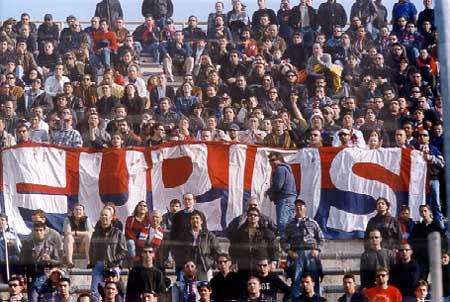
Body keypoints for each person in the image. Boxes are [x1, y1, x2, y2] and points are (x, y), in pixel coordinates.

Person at [282, 199, 324, 297]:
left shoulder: (313, 223)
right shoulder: (290, 225)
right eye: (297, 206)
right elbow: (283, 240)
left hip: (311, 254)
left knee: (314, 280)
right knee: (296, 280)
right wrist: (289, 251)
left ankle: (317, 299)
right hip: (297, 254)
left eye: (301, 206)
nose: (299, 208)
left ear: (305, 208)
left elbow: (321, 239)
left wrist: (317, 250)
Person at [228, 207, 278, 281]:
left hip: (261, 265)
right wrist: (233, 262)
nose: (253, 217)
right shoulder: (240, 232)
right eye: (250, 215)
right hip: (244, 265)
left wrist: (273, 261)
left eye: (255, 215)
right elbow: (233, 248)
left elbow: (273, 247)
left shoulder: (266, 232)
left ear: (259, 217)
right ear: (247, 217)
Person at [89, 207, 127, 300]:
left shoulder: (118, 233)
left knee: (114, 291)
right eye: (102, 215)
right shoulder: (95, 233)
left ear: (111, 218)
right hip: (98, 265)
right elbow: (91, 249)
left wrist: (113, 260)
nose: (104, 217)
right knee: (94, 293)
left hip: (113, 265)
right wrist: (93, 262)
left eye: (106, 215)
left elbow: (124, 251)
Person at [168, 211, 219, 281]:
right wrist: (181, 263)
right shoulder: (184, 235)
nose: (195, 220)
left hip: (203, 267)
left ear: (201, 221)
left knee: (203, 288)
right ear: (190, 221)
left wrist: (211, 263)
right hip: (187, 267)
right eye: (192, 218)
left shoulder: (209, 235)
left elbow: (216, 251)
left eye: (197, 218)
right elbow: (177, 250)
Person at [411, 204, 446, 280]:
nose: (423, 213)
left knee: (437, 281)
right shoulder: (417, 227)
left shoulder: (437, 226)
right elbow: (413, 243)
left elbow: (443, 241)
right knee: (422, 280)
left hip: (434, 258)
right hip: (421, 260)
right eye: (421, 211)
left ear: (430, 212)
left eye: (425, 211)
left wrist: (443, 254)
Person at [266, 152, 297, 233]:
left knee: (282, 222)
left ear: (280, 159)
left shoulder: (280, 169)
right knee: (289, 222)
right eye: (270, 160)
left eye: (273, 160)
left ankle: (285, 242)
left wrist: (268, 191)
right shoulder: (286, 169)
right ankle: (290, 242)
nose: (271, 162)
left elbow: (278, 185)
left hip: (284, 198)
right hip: (290, 198)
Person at [63, 203, 93, 268]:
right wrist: (83, 233)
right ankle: (69, 262)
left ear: (83, 212)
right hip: (72, 246)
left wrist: (75, 233)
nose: (78, 211)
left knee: (89, 237)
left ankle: (89, 262)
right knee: (69, 238)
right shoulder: (68, 219)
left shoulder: (86, 219)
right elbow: (67, 232)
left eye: (80, 210)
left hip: (82, 246)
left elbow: (90, 232)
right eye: (76, 209)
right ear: (73, 211)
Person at [0, 213, 21, 282]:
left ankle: (16, 279)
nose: (1, 221)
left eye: (3, 220)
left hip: (10, 255)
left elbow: (19, 245)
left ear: (6, 222)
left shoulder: (11, 232)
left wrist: (13, 243)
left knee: (15, 258)